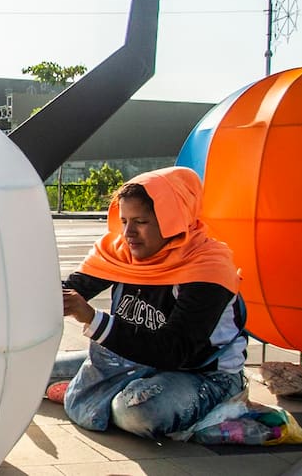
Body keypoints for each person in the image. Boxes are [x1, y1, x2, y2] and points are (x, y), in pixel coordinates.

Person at [51, 166, 246, 439]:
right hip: (134, 359)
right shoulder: (120, 253)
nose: (128, 233)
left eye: (140, 222)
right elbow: (70, 290)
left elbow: (175, 350)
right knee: (34, 370)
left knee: (135, 412)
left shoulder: (208, 269)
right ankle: (96, 395)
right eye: (124, 221)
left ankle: (94, 397)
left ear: (172, 221)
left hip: (200, 374)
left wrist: (94, 319)